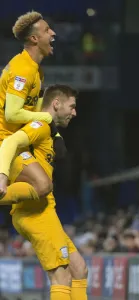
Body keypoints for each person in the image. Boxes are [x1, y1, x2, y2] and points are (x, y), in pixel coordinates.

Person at [0, 85, 88, 300]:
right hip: (36, 214)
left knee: (79, 269)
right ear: (56, 104)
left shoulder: (49, 131)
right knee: (61, 277)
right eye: (72, 106)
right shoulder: (39, 126)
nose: (75, 112)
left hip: (47, 210)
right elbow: (11, 142)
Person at [0, 11, 65, 205]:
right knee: (43, 185)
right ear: (35, 38)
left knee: (44, 186)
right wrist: (48, 120)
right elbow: (12, 114)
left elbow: (36, 113)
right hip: (4, 140)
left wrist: (55, 135)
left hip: (15, 141)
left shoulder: (37, 71)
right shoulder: (23, 69)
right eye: (47, 30)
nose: (53, 33)